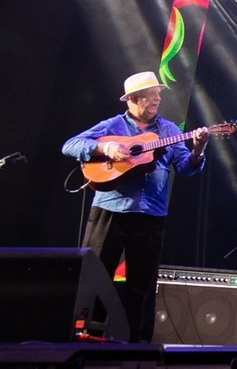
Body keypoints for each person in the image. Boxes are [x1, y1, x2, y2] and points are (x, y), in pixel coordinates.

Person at [62, 71, 210, 342]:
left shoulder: (169, 130)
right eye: (152, 93)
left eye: (158, 93)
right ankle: (86, 340)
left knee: (141, 286)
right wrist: (106, 150)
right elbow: (70, 145)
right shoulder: (113, 126)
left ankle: (137, 347)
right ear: (132, 99)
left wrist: (198, 150)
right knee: (94, 279)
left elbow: (186, 168)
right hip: (109, 210)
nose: (158, 98)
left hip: (150, 215)